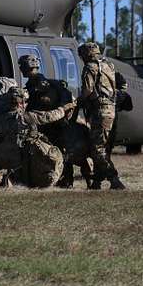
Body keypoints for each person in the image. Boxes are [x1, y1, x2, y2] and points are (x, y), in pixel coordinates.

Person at [18, 54, 93, 188]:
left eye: (22, 66)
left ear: (26, 67)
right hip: (50, 124)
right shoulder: (41, 85)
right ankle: (66, 180)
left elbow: (68, 103)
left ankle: (71, 180)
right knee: (61, 154)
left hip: (54, 125)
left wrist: (64, 118)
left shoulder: (46, 85)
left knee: (65, 154)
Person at [0, 87, 77, 187]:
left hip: (4, 157)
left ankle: (4, 180)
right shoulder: (27, 117)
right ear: (20, 103)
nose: (26, 104)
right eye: (25, 102)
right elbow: (49, 116)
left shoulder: (0, 120)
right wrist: (63, 109)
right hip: (22, 157)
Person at [77, 42, 126, 190]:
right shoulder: (108, 65)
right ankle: (97, 181)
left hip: (100, 110)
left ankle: (114, 179)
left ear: (86, 54)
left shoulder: (90, 67)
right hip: (111, 109)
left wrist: (78, 102)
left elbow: (87, 90)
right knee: (105, 146)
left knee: (97, 148)